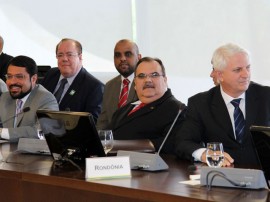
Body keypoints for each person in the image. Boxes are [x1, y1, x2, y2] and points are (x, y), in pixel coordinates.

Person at [175, 43, 270, 166]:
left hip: (265, 179)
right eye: (238, 70)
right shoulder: (201, 103)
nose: (246, 74)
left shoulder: (266, 96)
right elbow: (182, 142)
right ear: (220, 75)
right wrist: (205, 154)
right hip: (222, 177)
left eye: (248, 67)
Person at [108, 57, 186, 154]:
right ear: (135, 84)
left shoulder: (176, 110)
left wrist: (115, 146)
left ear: (165, 80)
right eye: (141, 76)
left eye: (154, 75)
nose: (147, 80)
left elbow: (170, 145)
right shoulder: (124, 109)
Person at [41, 38, 104, 121]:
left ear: (80, 57)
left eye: (69, 54)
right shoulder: (51, 74)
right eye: (60, 55)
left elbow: (92, 123)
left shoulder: (94, 87)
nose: (64, 59)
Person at [0, 55, 59, 142]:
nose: (12, 82)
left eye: (19, 77)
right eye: (9, 76)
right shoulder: (5, 97)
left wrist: (2, 132)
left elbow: (43, 132)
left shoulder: (46, 98)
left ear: (34, 79)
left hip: (33, 154)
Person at [96, 39, 141, 130]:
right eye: (117, 55)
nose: (122, 58)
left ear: (139, 57)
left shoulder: (146, 83)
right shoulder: (109, 86)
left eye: (128, 54)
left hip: (137, 142)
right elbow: (102, 123)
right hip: (112, 143)